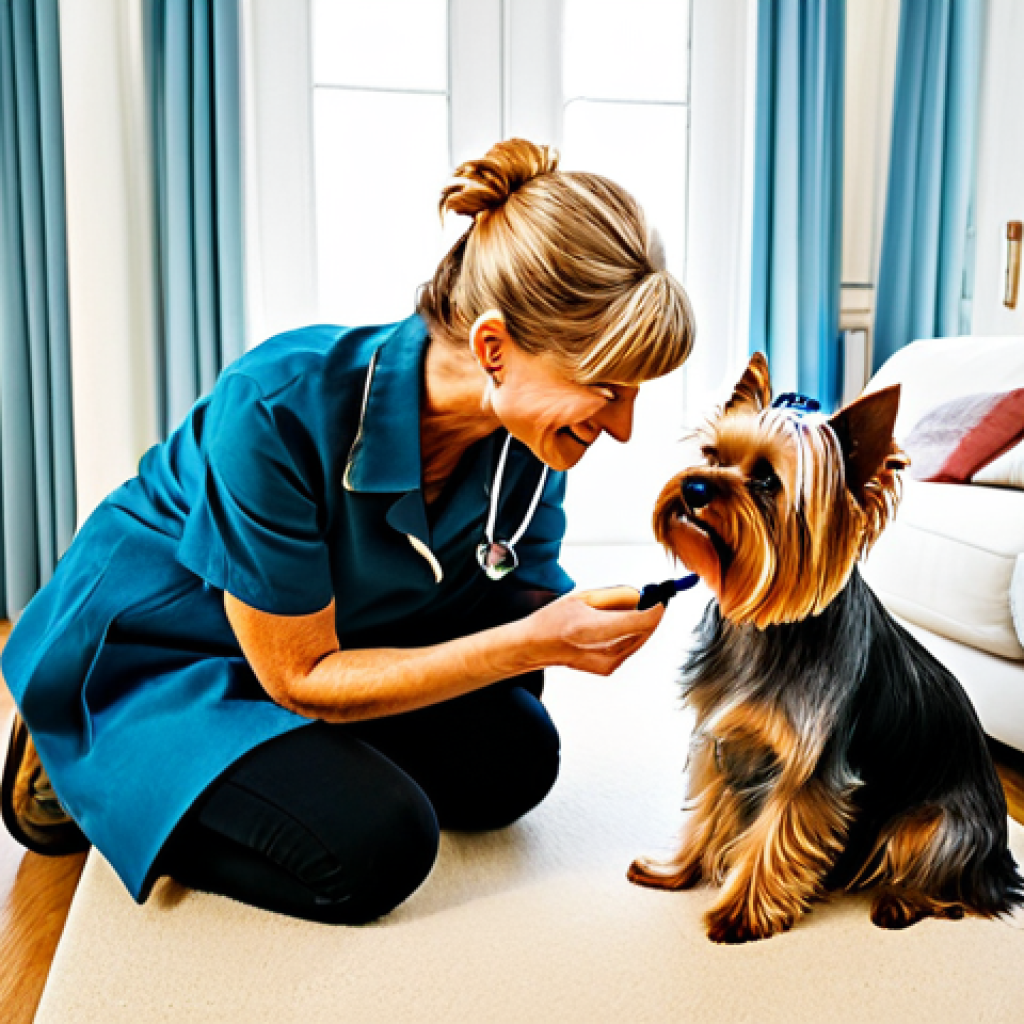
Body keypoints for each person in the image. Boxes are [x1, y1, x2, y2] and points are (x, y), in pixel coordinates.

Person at [0, 138, 695, 925]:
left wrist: (582, 620)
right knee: (376, 847)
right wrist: (533, 642)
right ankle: (94, 772)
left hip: (337, 636)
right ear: (495, 349)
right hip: (162, 652)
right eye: (605, 390)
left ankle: (278, 763)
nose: (625, 429)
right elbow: (299, 676)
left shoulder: (529, 446)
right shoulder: (278, 404)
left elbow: (514, 609)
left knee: (515, 759)